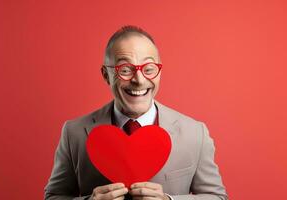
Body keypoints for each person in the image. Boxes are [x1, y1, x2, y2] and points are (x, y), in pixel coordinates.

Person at [44, 25, 228, 200]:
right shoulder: (73, 132)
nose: (139, 80)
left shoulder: (196, 133)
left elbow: (217, 197)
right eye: (125, 70)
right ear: (105, 75)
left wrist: (168, 199)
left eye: (149, 69)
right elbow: (53, 196)